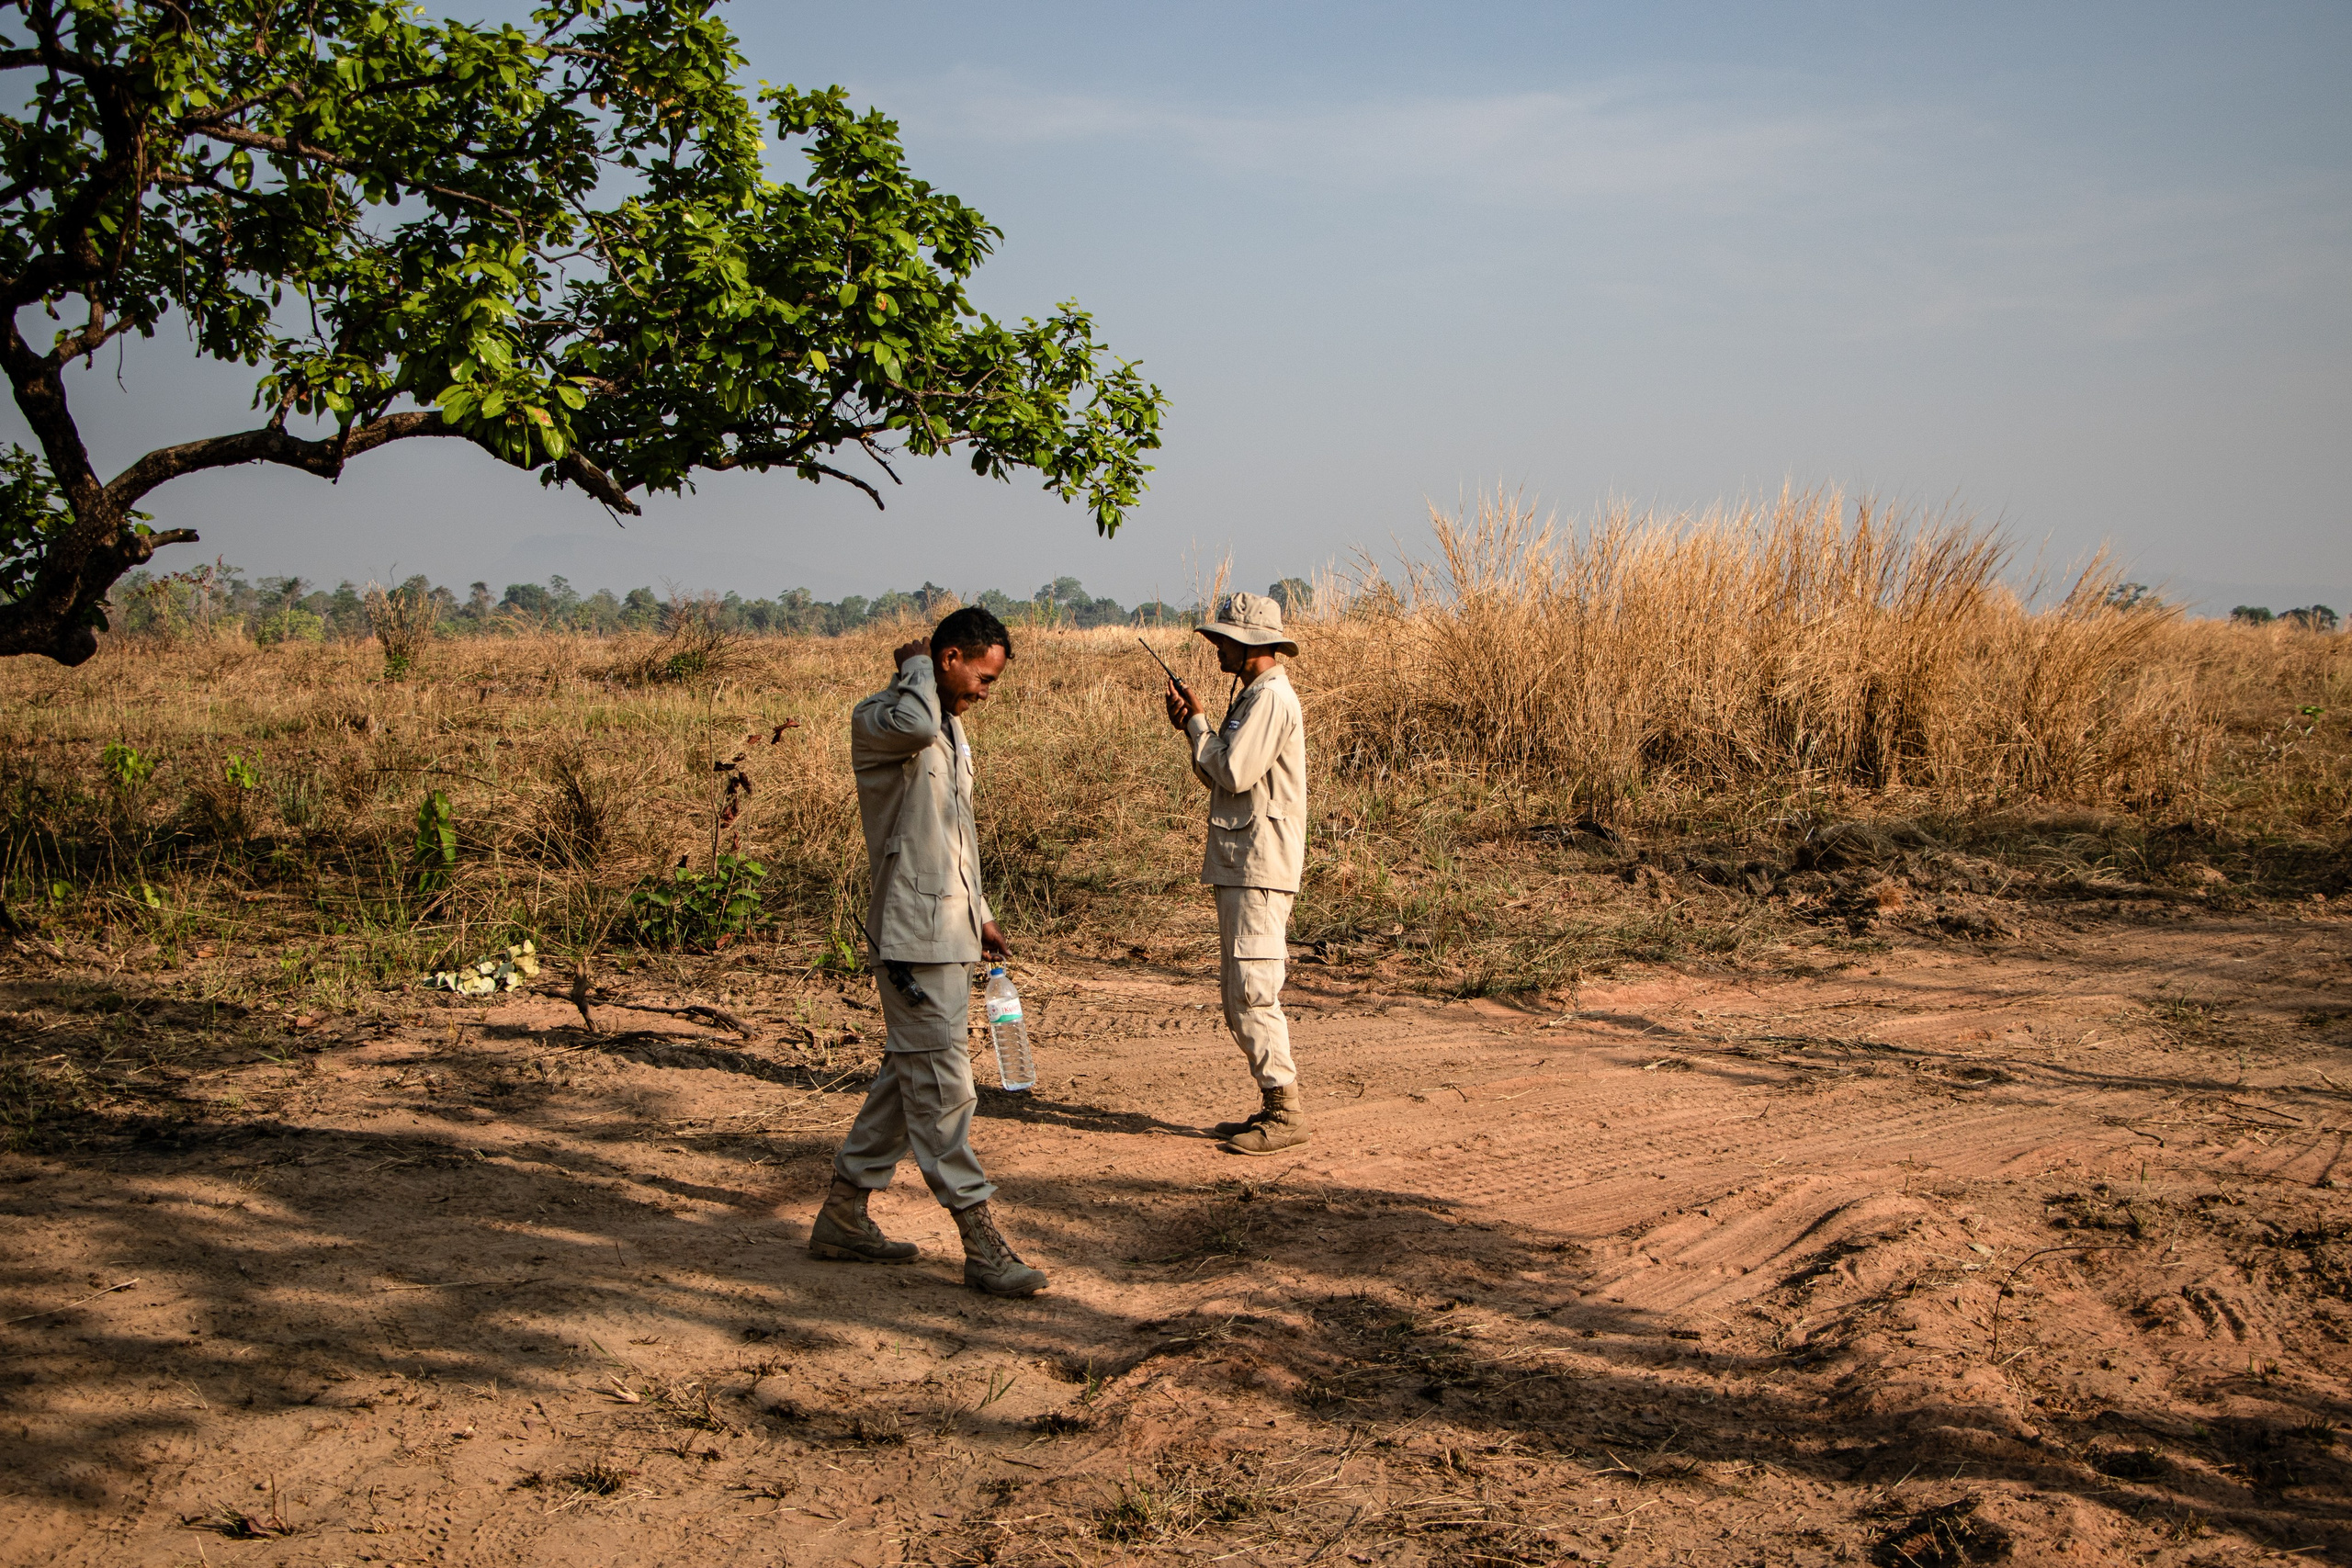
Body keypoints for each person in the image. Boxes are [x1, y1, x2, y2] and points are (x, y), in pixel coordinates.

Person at [808, 606, 1047, 1297]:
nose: (984, 691)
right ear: (946, 658)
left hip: (948, 927)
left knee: (909, 1073)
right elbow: (911, 720)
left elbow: (955, 829)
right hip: (912, 934)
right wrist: (911, 663)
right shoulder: (885, 717)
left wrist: (982, 914)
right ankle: (980, 1240)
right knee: (944, 1086)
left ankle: (844, 1214)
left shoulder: (949, 725)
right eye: (981, 675)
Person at [1160, 591, 1309, 1155]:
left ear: (1248, 644)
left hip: (1259, 865)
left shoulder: (1269, 700)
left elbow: (1234, 771)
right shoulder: (1254, 697)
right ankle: (1276, 1104)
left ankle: (1287, 1113)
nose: (1215, 645)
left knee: (1252, 990)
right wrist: (1196, 729)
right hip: (1246, 862)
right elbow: (1225, 778)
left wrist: (1197, 725)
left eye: (1222, 637)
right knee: (1241, 990)